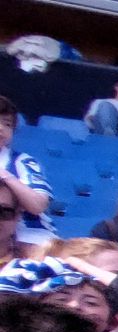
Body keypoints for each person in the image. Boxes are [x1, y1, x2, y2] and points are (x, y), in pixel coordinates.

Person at [0, 96, 57, 247]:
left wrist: (5, 175)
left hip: (29, 238)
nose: (1, 128)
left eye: (7, 124)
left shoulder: (22, 162)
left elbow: (38, 205)